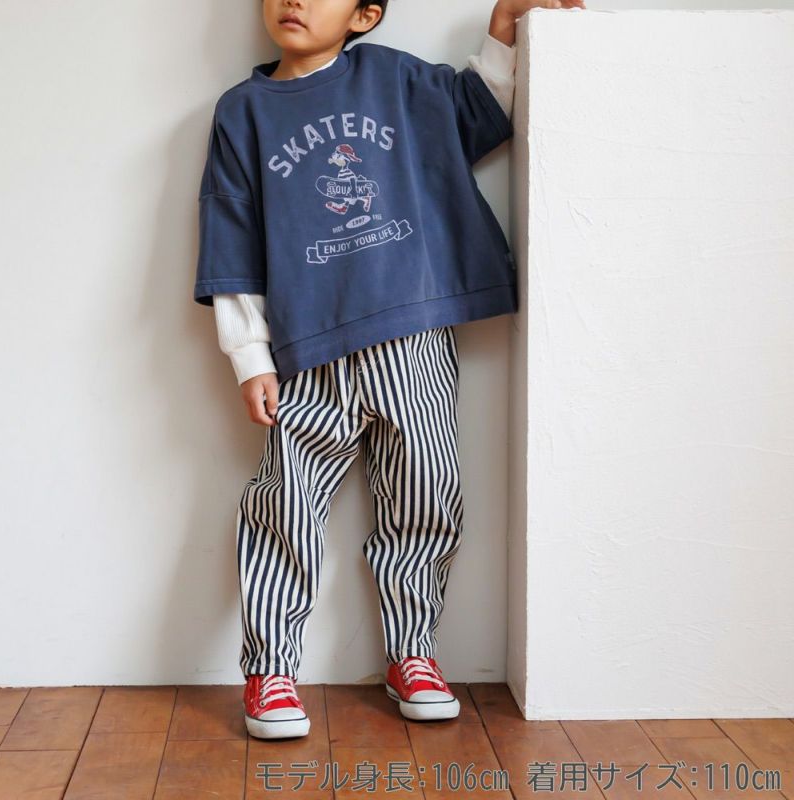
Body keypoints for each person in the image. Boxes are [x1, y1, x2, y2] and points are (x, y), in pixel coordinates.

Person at [194, 0, 584, 740]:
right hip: (306, 349)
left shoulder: (396, 82)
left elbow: (478, 112)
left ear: (365, 15)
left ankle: (413, 652)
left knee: (426, 493)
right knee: (285, 504)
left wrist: (504, 23)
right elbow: (230, 233)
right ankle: (270, 667)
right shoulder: (243, 111)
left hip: (412, 335)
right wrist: (248, 356)